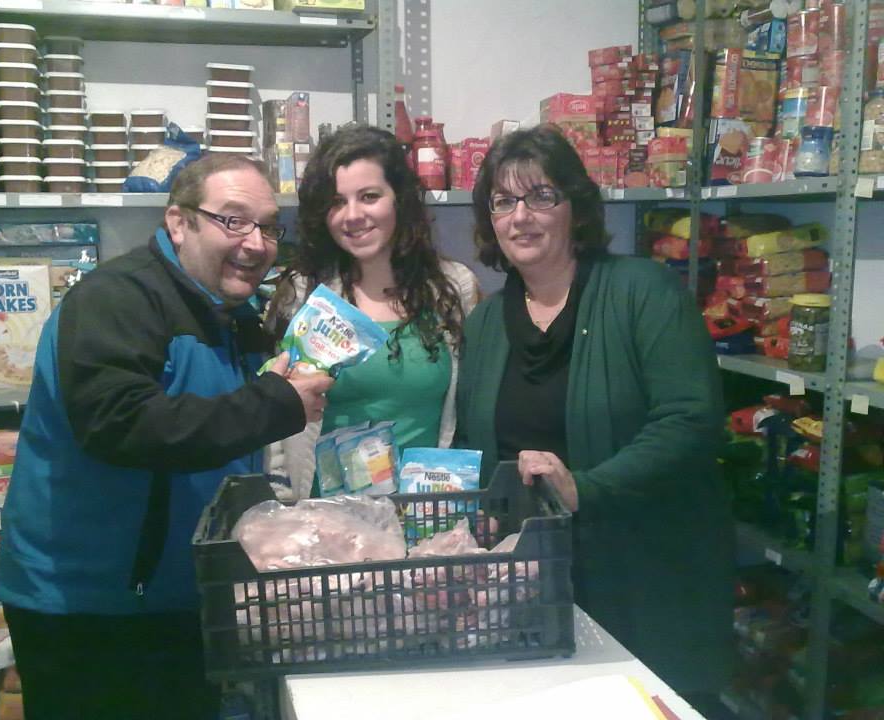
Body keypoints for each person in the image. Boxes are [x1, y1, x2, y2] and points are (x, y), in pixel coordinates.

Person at [0, 153, 333, 720]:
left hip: (176, 598)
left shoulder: (229, 312)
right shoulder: (116, 300)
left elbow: (217, 430)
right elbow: (121, 424)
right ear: (179, 222)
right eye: (233, 220)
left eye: (269, 227)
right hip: (93, 612)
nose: (256, 243)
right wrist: (274, 404)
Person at [455, 125, 734, 714]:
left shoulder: (643, 292)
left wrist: (585, 487)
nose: (521, 216)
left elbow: (690, 420)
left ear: (575, 206)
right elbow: (475, 443)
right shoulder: (485, 324)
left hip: (646, 576)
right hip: (535, 584)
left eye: (541, 196)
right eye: (503, 201)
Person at [266, 125, 479, 498]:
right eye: (337, 202)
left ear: (399, 199)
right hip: (324, 516)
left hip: (424, 513)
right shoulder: (303, 292)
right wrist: (284, 503)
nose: (352, 215)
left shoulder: (452, 288)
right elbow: (275, 417)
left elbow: (469, 409)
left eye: (369, 196)